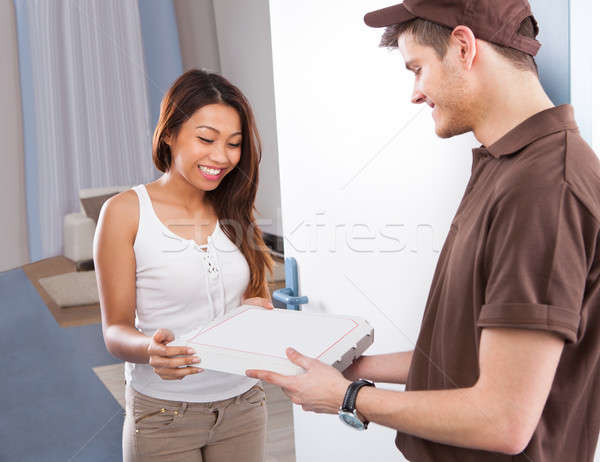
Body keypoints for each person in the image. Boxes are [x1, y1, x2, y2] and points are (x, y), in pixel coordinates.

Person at [246, 1, 600, 461]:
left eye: (417, 69)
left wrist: (347, 398)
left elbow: (502, 419)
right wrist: (350, 370)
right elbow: (472, 358)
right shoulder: (505, 166)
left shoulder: (544, 187)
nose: (415, 93)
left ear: (463, 46)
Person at [94, 69, 274, 462]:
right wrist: (150, 350)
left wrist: (257, 316)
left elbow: (251, 302)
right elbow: (115, 330)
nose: (221, 157)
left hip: (243, 405)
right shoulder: (124, 212)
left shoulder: (235, 209)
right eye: (206, 139)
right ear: (170, 133)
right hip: (163, 416)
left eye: (234, 144)